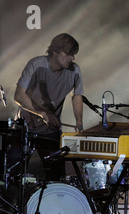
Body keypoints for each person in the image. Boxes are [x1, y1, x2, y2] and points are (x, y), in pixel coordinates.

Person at [11, 33, 84, 181]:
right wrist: (42, 114)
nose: (72, 58)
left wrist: (79, 122)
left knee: (55, 177)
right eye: (68, 53)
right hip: (24, 129)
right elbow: (19, 95)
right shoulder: (36, 65)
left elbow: (77, 97)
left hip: (51, 132)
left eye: (73, 54)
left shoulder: (74, 71)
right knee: (12, 175)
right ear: (54, 51)